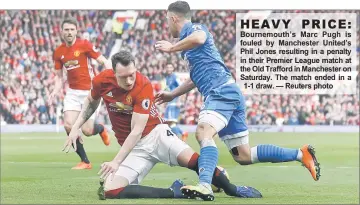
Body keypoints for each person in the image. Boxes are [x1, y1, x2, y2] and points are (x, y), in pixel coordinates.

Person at [155, 1, 321, 201]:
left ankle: (205, 185)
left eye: (167, 20)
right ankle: (300, 154)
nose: (167, 25)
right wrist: (173, 95)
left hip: (221, 92)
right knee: (243, 155)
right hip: (228, 92)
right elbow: (195, 77)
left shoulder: (194, 29)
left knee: (203, 132)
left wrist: (171, 48)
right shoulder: (188, 45)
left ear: (173, 18)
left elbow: (200, 37)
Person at [62, 50, 262, 200]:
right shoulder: (101, 81)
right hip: (135, 149)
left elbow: (137, 130)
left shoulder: (143, 85)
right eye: (124, 77)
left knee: (194, 162)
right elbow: (91, 100)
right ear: (113, 73)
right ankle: (173, 192)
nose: (130, 80)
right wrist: (77, 126)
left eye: (132, 73)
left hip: (156, 136)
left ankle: (232, 188)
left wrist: (115, 161)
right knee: (111, 190)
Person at [49, 17, 112, 170]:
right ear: (62, 32)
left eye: (72, 29)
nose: (69, 32)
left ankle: (101, 129)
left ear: (76, 31)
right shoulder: (58, 52)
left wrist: (110, 74)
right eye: (66, 30)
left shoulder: (84, 45)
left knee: (87, 130)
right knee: (68, 125)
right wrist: (55, 91)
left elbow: (103, 60)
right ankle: (85, 161)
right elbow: (59, 76)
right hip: (72, 92)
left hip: (89, 92)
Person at [163, 63, 188, 141]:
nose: (169, 69)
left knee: (171, 122)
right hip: (169, 103)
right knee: (168, 123)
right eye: (168, 67)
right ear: (166, 69)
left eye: (170, 67)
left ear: (173, 69)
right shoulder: (167, 78)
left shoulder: (175, 77)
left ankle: (178, 137)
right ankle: (182, 133)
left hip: (174, 103)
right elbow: (168, 91)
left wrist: (179, 101)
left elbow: (182, 87)